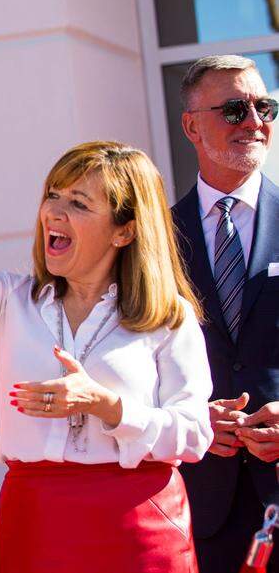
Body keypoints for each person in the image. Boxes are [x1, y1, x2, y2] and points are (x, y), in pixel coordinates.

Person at [0, 115, 213, 571]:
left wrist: (108, 405)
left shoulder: (168, 316)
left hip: (139, 523)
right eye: (52, 197)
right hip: (37, 520)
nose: (53, 213)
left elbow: (194, 434)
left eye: (78, 203)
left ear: (125, 231)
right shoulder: (11, 302)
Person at [172, 54, 279, 572]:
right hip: (201, 510)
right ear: (192, 125)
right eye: (235, 109)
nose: (255, 122)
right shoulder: (153, 244)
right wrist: (189, 421)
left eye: (265, 107)